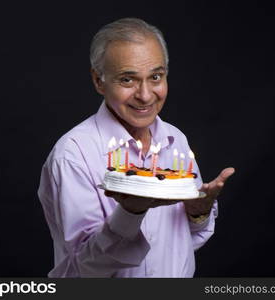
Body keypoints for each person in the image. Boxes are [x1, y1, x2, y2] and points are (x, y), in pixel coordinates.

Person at [37, 18, 235, 277]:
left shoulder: (176, 139)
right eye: (128, 80)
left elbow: (184, 242)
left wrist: (198, 214)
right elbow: (84, 267)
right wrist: (131, 212)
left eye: (155, 77)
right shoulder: (74, 154)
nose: (145, 94)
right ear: (99, 81)